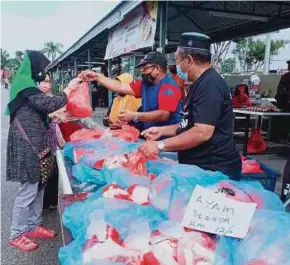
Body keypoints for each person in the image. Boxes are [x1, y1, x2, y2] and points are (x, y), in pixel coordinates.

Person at [139, 32, 242, 180]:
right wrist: (161, 130)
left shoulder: (209, 85)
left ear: (189, 60)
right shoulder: (199, 84)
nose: (177, 65)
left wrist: (160, 145)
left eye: (178, 59)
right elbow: (188, 124)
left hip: (214, 170)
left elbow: (202, 132)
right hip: (201, 167)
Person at [5, 50, 80, 251]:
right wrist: (69, 89)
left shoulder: (29, 88)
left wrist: (57, 114)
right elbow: (47, 103)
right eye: (42, 69)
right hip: (27, 146)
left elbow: (43, 110)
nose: (44, 73)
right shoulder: (25, 86)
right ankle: (17, 233)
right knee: (28, 190)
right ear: (34, 69)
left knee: (39, 187)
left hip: (38, 144)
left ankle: (33, 225)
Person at [82, 51, 182, 132]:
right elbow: (120, 86)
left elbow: (164, 115)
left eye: (145, 68)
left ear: (157, 69)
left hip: (168, 140)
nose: (143, 72)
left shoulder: (169, 87)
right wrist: (97, 77)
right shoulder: (145, 85)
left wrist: (135, 116)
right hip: (151, 136)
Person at [38, 74, 71, 210]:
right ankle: (42, 204)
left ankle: (50, 202)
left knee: (53, 171)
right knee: (42, 174)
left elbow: (58, 114)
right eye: (43, 81)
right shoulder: (34, 99)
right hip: (41, 142)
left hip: (52, 141)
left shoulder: (52, 99)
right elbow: (44, 116)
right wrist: (54, 114)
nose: (46, 84)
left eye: (48, 82)